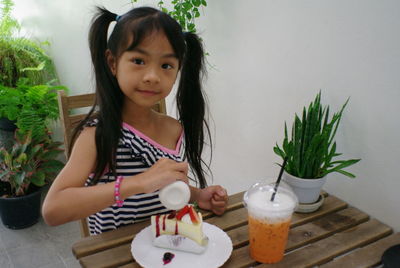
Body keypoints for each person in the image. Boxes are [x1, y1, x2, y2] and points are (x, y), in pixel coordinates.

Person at [42, 6, 228, 235]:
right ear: (112, 62)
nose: (152, 76)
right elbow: (53, 210)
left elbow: (165, 184)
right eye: (139, 60)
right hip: (117, 253)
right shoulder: (97, 136)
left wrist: (199, 195)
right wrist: (138, 183)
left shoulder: (173, 128)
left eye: (166, 65)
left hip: (167, 246)